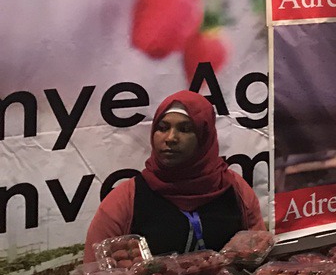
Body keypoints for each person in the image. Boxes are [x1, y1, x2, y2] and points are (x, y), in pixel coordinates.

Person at [84, 91, 264, 262]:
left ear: (204, 136)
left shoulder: (234, 188)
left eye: (185, 129)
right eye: (162, 128)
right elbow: (96, 274)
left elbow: (259, 254)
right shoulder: (126, 199)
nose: (170, 138)